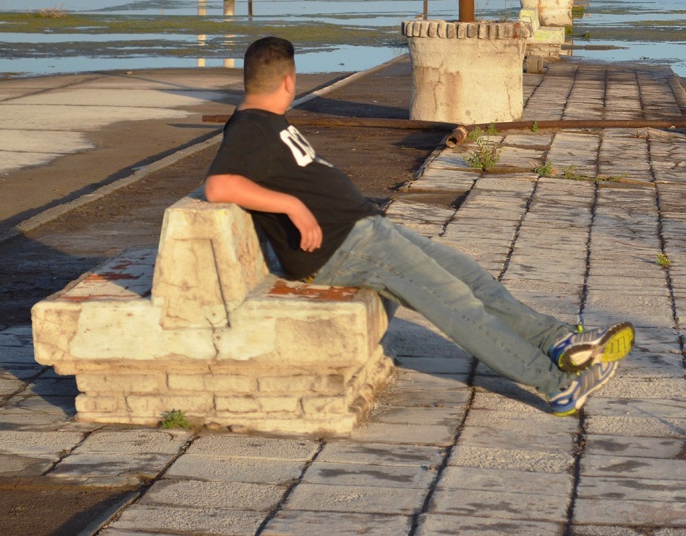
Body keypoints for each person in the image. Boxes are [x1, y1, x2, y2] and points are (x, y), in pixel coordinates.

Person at [204, 36, 634, 415]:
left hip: (366, 233)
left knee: (473, 280)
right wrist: (293, 207)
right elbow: (219, 185)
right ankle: (558, 386)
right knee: (454, 304)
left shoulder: (266, 122)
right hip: (343, 247)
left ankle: (558, 341)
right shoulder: (249, 128)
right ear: (288, 81)